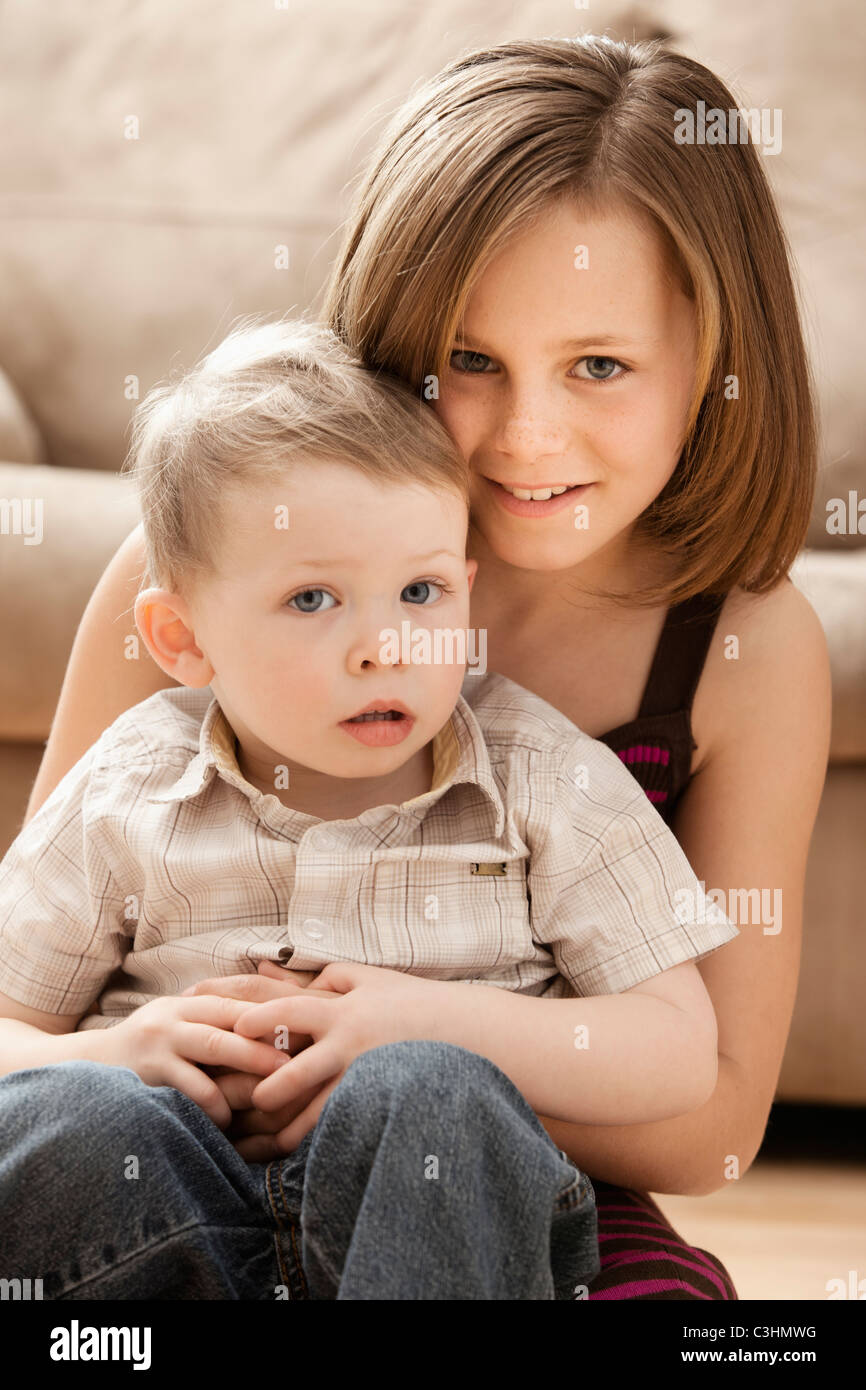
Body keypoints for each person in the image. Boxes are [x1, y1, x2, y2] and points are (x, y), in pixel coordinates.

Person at [17, 35, 831, 1300]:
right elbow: (42, 1012)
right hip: (175, 1171)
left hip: (495, 1177)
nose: (523, 435)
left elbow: (707, 1120)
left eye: (599, 366)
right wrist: (140, 1058)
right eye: (467, 359)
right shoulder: (206, 564)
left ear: (713, 362)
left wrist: (401, 1045)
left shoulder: (738, 648)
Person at [0, 316, 740, 1300]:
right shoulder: (133, 784)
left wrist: (428, 1021)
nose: (384, 647)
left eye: (420, 592)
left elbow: (679, 1050)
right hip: (177, 1229)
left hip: (432, 1239)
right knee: (70, 1114)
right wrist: (113, 1053)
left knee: (429, 1092)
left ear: (466, 595)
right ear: (182, 637)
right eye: (314, 600)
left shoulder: (540, 778)